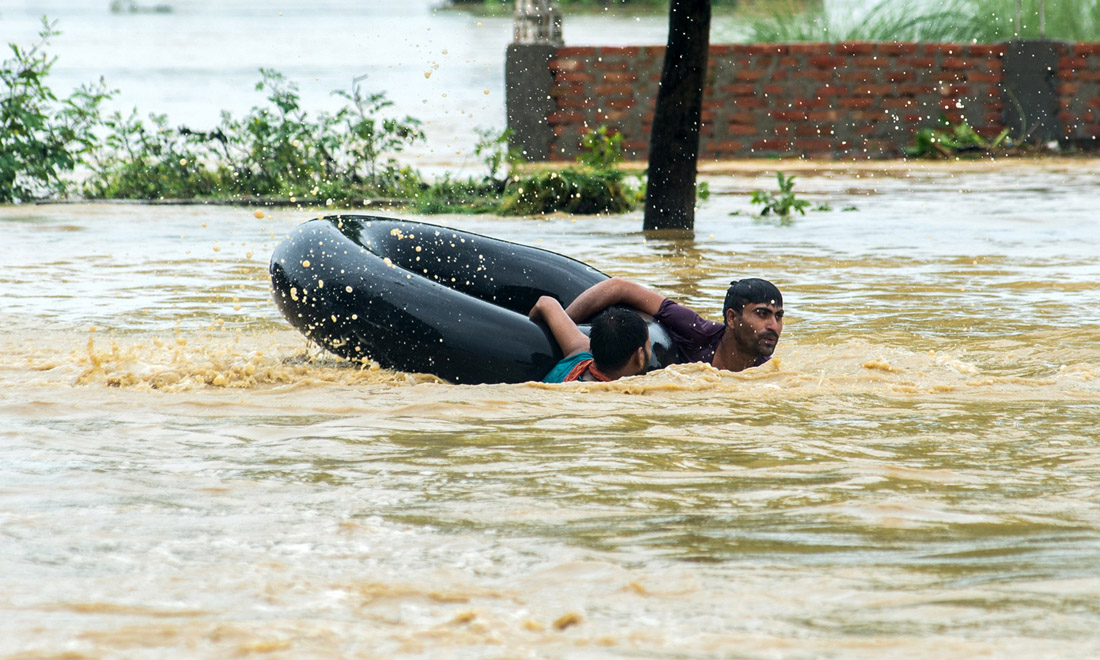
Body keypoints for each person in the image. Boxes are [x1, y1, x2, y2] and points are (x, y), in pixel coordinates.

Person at [564, 277, 783, 373]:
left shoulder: (767, 371)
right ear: (733, 319)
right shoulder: (696, 331)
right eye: (762, 314)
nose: (773, 325)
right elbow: (620, 287)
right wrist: (562, 324)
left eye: (779, 316)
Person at [528, 296, 650, 383]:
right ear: (639, 356)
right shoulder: (614, 398)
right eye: (648, 347)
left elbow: (545, 303)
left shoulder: (580, 353)